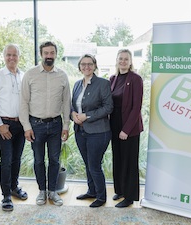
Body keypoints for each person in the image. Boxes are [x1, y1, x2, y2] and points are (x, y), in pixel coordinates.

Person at [19, 41, 71, 206]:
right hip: (36, 125)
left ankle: (53, 191)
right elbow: (23, 102)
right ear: (41, 54)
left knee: (55, 160)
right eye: (46, 53)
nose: (49, 56)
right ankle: (42, 191)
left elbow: (66, 102)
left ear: (56, 54)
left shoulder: (62, 75)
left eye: (52, 53)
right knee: (39, 160)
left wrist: (66, 126)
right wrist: (26, 127)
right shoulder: (30, 74)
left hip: (56, 125)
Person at [0, 44, 27, 211]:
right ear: (4, 56)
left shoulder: (23, 76)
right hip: (5, 123)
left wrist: (26, 124)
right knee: (6, 160)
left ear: (19, 56)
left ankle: (14, 186)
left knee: (17, 158)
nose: (11, 58)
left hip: (21, 123)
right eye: (8, 55)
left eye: (14, 55)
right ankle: (5, 196)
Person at [71, 54, 113, 207]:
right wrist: (73, 114)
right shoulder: (76, 84)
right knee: (88, 163)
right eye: (83, 64)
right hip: (80, 131)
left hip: (99, 131)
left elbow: (108, 107)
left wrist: (86, 116)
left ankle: (101, 197)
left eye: (89, 64)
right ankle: (92, 191)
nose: (86, 67)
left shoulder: (103, 83)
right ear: (80, 66)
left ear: (95, 66)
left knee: (94, 165)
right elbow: (73, 106)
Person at [109, 49, 144, 208]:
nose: (123, 61)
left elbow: (136, 107)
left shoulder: (135, 79)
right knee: (118, 158)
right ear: (116, 60)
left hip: (129, 127)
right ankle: (121, 190)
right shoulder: (113, 78)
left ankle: (130, 196)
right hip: (114, 124)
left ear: (130, 62)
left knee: (129, 161)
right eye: (120, 58)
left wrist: (126, 130)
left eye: (126, 59)